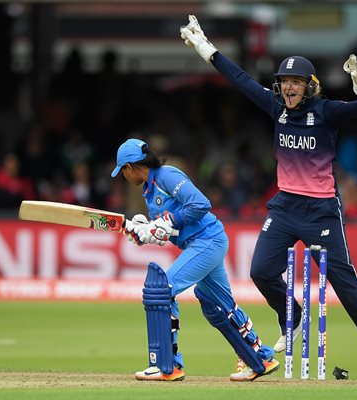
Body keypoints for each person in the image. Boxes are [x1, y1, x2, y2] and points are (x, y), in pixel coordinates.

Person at [180, 15, 357, 373]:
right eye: (284, 83)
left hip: (322, 210)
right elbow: (240, 79)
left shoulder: (326, 112)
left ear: (309, 86)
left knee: (342, 278)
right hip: (285, 207)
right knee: (261, 270)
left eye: (295, 83)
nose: (289, 89)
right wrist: (206, 48)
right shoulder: (276, 107)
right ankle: (291, 320)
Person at [112, 138, 279, 381]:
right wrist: (147, 231)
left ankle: (167, 365)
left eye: (122, 172)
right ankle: (261, 358)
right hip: (200, 243)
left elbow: (201, 204)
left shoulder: (165, 176)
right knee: (215, 305)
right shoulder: (149, 190)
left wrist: (165, 223)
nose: (123, 177)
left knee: (162, 288)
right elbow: (173, 229)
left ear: (129, 167)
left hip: (208, 240)